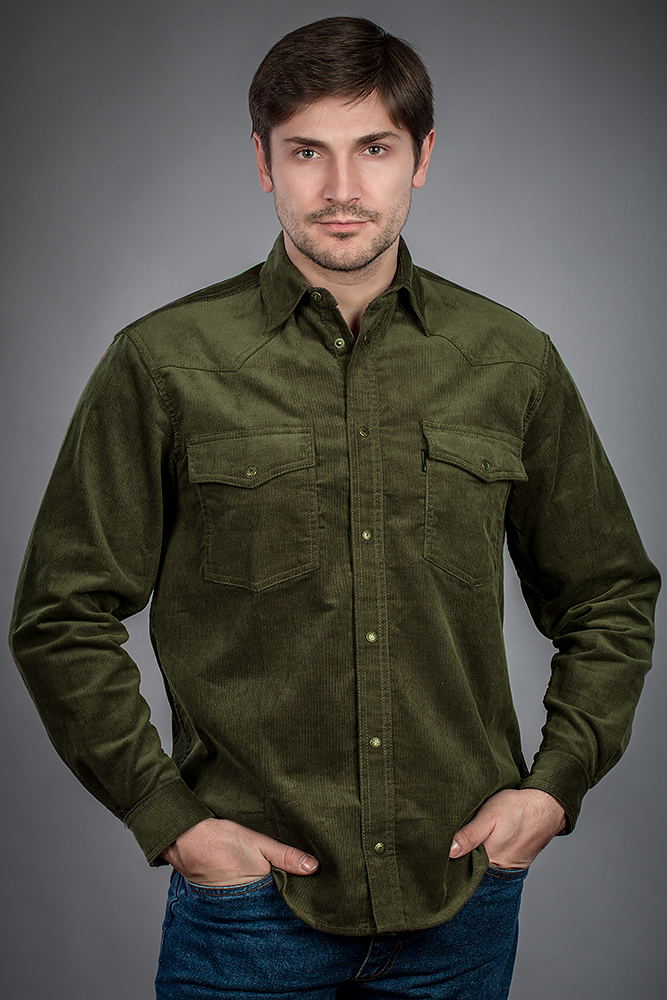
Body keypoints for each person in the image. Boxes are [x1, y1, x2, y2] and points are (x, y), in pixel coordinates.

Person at [9, 16, 659, 1000]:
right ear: (262, 163)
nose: (341, 188)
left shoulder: (510, 361)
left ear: (421, 158)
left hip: (461, 905)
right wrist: (170, 818)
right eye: (306, 151)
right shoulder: (164, 363)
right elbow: (61, 613)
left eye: (374, 149)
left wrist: (552, 788)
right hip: (247, 916)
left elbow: (607, 594)